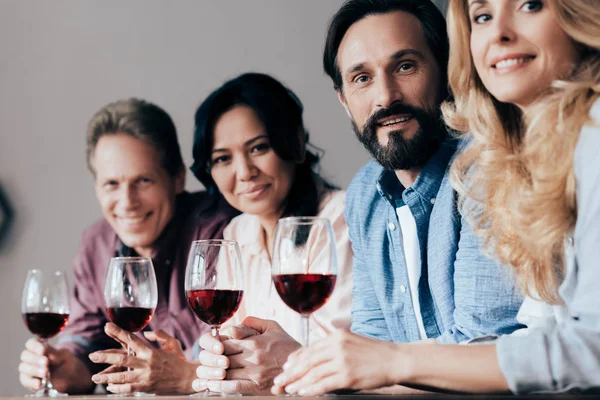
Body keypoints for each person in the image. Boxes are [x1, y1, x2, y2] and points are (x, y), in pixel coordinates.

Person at [273, 0, 600, 395]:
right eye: (482, 16)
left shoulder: (491, 161)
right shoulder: (367, 193)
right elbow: (370, 350)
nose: (385, 96)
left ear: (446, 69)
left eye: (405, 66)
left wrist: (388, 363)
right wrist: (312, 369)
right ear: (343, 100)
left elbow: (495, 345)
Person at [18, 99, 238, 395]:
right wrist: (65, 367)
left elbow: (230, 349)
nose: (127, 202)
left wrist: (183, 369)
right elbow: (86, 341)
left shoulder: (219, 231)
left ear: (177, 178)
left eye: (143, 181)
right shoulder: (95, 244)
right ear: (96, 187)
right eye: (111, 184)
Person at [188, 73, 353, 394]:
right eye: (223, 159)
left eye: (259, 148)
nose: (245, 172)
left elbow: (342, 346)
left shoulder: (339, 218)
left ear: (297, 145)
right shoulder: (237, 232)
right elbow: (234, 343)